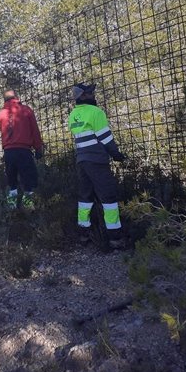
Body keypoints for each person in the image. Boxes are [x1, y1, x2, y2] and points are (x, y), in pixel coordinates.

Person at [68, 83, 127, 248]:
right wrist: (116, 154)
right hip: (97, 160)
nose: (93, 94)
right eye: (90, 92)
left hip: (81, 160)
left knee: (85, 197)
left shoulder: (72, 115)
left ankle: (83, 234)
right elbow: (105, 137)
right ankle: (115, 237)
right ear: (84, 96)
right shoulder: (96, 112)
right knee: (108, 198)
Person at [0, 89, 44, 209]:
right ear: (17, 97)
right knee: (28, 180)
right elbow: (34, 131)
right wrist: (38, 147)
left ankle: (12, 209)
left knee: (12, 181)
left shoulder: (1, 114)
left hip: (8, 152)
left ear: (4, 99)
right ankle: (28, 208)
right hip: (24, 151)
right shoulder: (26, 110)